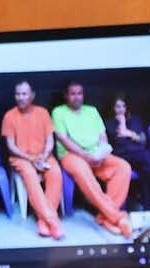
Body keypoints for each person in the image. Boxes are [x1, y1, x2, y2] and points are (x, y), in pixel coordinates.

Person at [52, 81, 134, 238]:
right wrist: (86, 156)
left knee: (123, 167)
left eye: (79, 93)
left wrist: (101, 152)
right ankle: (117, 217)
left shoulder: (91, 111)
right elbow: (63, 139)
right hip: (72, 156)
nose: (77, 97)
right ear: (66, 96)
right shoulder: (58, 112)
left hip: (95, 154)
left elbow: (102, 135)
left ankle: (105, 217)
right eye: (73, 94)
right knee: (84, 172)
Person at [1, 80, 65, 239]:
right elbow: (11, 146)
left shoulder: (43, 113)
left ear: (32, 95)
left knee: (55, 172)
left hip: (43, 156)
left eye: (24, 94)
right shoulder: (9, 116)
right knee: (30, 175)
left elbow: (50, 140)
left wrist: (44, 155)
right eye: (18, 94)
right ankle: (52, 221)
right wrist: (31, 158)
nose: (20, 97)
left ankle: (43, 222)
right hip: (21, 158)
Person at [107, 94, 150, 213]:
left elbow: (142, 139)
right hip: (121, 155)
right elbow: (119, 140)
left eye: (123, 106)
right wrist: (122, 124)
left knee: (147, 167)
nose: (121, 109)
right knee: (147, 162)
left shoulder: (135, 119)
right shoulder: (109, 123)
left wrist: (130, 133)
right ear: (112, 108)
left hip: (138, 153)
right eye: (117, 106)